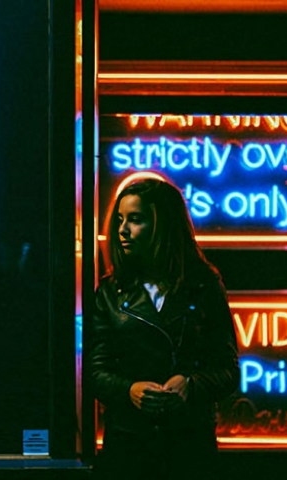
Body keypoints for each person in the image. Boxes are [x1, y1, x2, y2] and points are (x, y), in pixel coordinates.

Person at [90, 178, 240, 480]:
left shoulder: (203, 285)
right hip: (128, 447)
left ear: (163, 225)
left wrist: (190, 385)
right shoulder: (110, 292)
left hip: (188, 446)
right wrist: (129, 390)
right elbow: (94, 373)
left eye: (135, 219)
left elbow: (228, 370)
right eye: (120, 219)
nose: (122, 230)